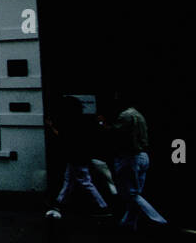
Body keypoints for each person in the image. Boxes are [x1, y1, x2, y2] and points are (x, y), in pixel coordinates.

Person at [110, 101, 166, 231]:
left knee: (131, 194)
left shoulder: (125, 115)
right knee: (136, 193)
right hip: (143, 156)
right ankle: (128, 223)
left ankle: (159, 221)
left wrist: (104, 126)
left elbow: (117, 133)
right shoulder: (140, 116)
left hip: (130, 157)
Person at [49, 97, 109, 215]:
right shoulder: (84, 120)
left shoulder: (71, 122)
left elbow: (62, 136)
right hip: (81, 155)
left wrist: (51, 126)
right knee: (69, 180)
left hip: (76, 157)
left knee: (85, 182)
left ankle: (103, 206)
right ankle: (59, 202)